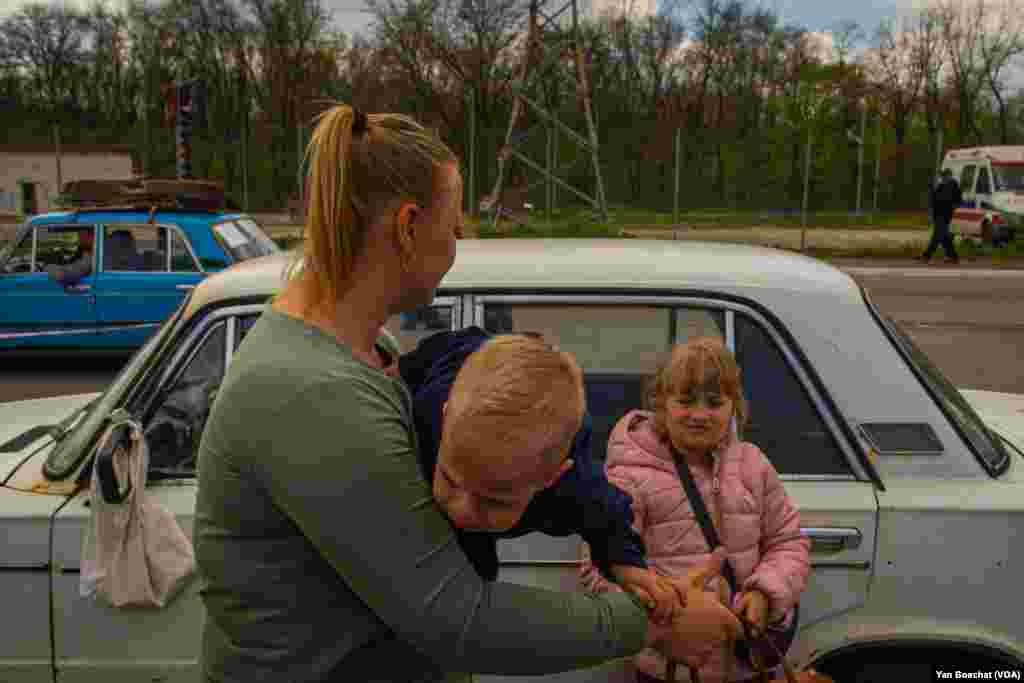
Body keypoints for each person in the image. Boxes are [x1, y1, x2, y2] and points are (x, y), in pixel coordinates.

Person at [193, 103, 743, 683]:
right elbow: (458, 620)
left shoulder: (359, 351)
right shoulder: (312, 390)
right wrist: (656, 623)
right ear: (408, 228)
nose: (457, 246)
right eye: (452, 227)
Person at [399, 327, 685, 622]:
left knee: (473, 575)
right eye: (449, 479)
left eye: (494, 502)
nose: (461, 509)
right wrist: (397, 369)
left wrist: (629, 567)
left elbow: (610, 519)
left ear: (551, 477)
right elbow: (440, 352)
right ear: (446, 417)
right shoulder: (430, 411)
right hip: (462, 354)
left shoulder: (575, 487)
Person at [580, 337, 811, 683]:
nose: (700, 414)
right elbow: (599, 569)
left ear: (734, 406)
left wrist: (765, 593)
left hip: (745, 666)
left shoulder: (754, 466)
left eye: (715, 402)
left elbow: (788, 542)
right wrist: (665, 616)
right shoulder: (629, 477)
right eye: (686, 401)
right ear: (662, 403)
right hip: (668, 668)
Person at [921, 168, 962, 264]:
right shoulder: (939, 185)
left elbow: (959, 198)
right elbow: (933, 200)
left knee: (937, 235)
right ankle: (953, 257)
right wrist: (931, 214)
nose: (944, 178)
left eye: (946, 176)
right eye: (943, 176)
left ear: (950, 176)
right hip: (937, 214)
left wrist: (953, 206)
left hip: (946, 214)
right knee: (944, 236)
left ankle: (926, 256)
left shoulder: (953, 185)